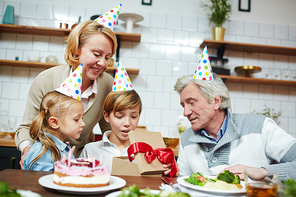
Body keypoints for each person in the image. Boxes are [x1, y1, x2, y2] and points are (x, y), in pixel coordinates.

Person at [15, 4, 122, 169]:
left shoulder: (108, 84)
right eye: (97, 54)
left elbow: (112, 129)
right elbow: (26, 127)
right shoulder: (45, 80)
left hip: (82, 162)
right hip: (45, 161)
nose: (103, 63)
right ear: (77, 49)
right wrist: (29, 151)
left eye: (108, 57)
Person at [174, 46, 296, 181]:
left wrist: (264, 171)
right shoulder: (187, 138)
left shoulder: (260, 126)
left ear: (216, 101)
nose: (185, 112)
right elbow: (182, 182)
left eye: (191, 102)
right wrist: (173, 174)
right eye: (183, 105)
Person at [80, 62, 179, 177]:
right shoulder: (90, 150)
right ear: (106, 116)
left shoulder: (149, 152)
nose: (127, 123)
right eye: (120, 116)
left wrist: (172, 172)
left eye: (133, 116)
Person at [24, 91, 85, 171]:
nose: (83, 124)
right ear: (54, 122)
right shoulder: (42, 152)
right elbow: (44, 181)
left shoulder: (62, 148)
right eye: (77, 119)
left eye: (82, 118)